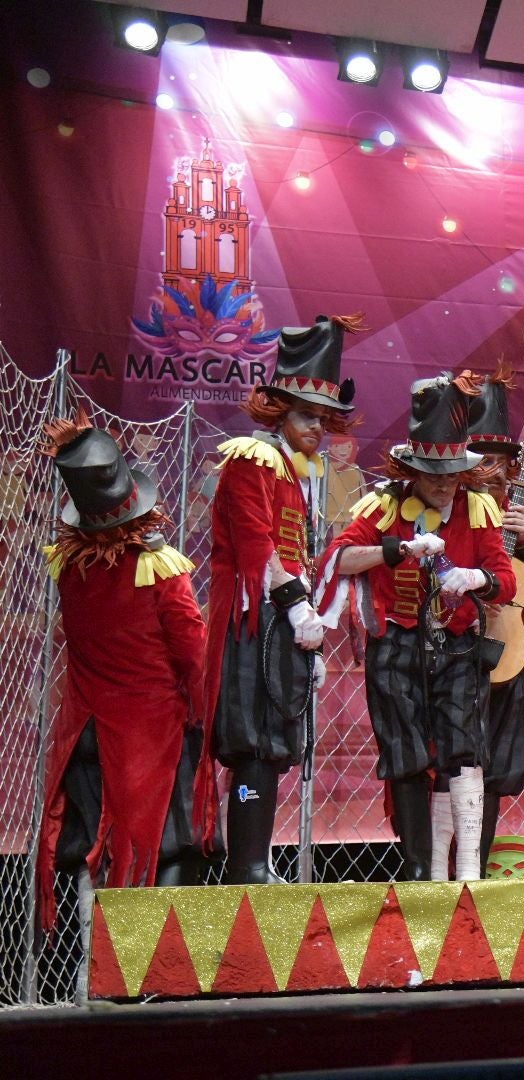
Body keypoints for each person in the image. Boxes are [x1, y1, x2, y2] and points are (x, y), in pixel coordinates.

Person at [317, 373, 515, 881]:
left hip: (457, 648)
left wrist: (480, 578)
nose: (443, 484)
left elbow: (508, 582)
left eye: (450, 474)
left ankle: (467, 869)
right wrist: (395, 549)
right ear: (412, 470)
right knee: (404, 756)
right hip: (397, 645)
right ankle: (419, 871)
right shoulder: (383, 505)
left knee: (462, 749)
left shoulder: (479, 509)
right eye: (432, 475)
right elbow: (338, 560)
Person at [204, 314, 359, 884]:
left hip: (280, 619)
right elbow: (257, 545)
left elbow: (291, 555)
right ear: (278, 412)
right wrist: (297, 608)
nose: (317, 429)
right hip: (254, 617)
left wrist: (307, 619)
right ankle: (245, 866)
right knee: (252, 739)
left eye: (323, 419)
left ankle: (254, 862)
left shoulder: (297, 473)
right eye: (306, 416)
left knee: (272, 742)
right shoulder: (253, 456)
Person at [36, 415, 209, 921]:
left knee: (91, 845)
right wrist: (201, 716)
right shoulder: (159, 567)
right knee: (169, 842)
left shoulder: (68, 568)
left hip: (86, 731)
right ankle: (143, 968)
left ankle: (90, 969)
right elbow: (192, 653)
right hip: (148, 733)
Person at [424, 363, 524, 877]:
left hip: (507, 652)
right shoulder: (449, 509)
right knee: (454, 758)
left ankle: (475, 869)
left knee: (499, 763)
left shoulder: (520, 514)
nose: (497, 471)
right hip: (455, 646)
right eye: (487, 460)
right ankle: (439, 868)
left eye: (505, 462)